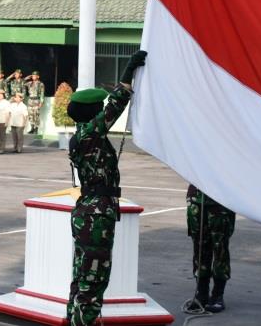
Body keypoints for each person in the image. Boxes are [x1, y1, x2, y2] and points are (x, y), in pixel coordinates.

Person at [66, 50, 147, 326]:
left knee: (81, 280)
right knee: (92, 283)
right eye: (98, 109)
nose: (102, 111)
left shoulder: (82, 136)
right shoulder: (90, 133)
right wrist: (128, 73)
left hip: (89, 213)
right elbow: (116, 105)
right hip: (96, 216)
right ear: (91, 112)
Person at [186, 185, 235, 313]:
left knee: (220, 250)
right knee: (199, 249)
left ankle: (218, 295)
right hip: (197, 199)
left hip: (221, 201)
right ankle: (201, 294)